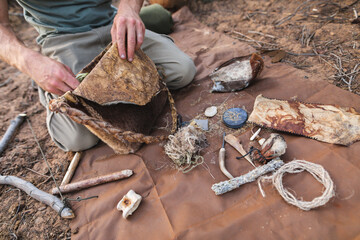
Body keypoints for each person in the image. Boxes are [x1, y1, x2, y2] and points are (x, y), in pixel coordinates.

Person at [0, 0, 196, 151]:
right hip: (63, 38)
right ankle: (52, 90)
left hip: (112, 25)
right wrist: (30, 62)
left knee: (182, 71)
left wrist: (129, 9)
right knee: (78, 137)